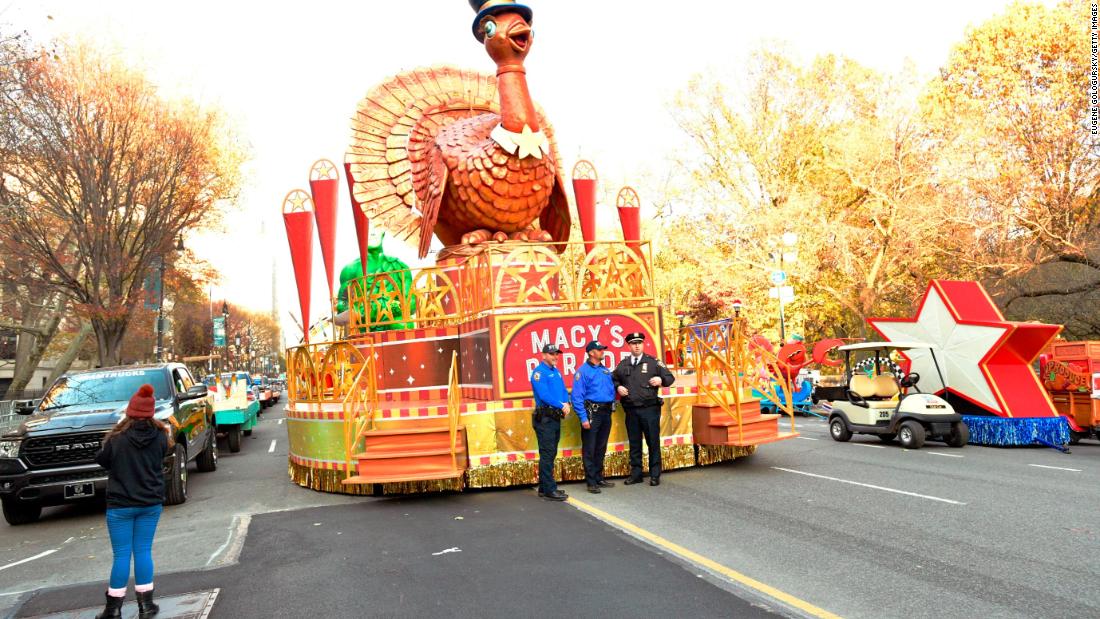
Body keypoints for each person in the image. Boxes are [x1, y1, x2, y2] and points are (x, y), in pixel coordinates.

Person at [94, 384, 171, 619]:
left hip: (120, 505)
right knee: (143, 551)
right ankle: (146, 606)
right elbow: (162, 458)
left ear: (129, 411)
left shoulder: (117, 438)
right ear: (151, 412)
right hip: (150, 503)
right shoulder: (161, 436)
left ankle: (113, 609)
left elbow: (102, 460)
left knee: (121, 555)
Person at [613, 332, 675, 486]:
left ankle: (655, 474)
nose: (636, 345)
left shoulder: (653, 362)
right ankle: (636, 474)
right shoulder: (623, 364)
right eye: (633, 343)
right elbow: (613, 379)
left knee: (652, 442)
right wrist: (618, 387)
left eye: (639, 343)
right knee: (634, 443)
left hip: (650, 410)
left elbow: (670, 378)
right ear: (629, 346)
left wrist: (661, 379)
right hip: (631, 410)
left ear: (643, 344)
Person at [571, 340, 617, 494]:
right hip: (592, 413)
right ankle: (591, 481)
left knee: (601, 446)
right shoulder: (582, 372)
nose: (602, 351)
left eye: (602, 349)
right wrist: (583, 418)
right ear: (591, 353)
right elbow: (577, 397)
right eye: (599, 350)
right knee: (590, 448)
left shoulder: (605, 370)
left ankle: (598, 477)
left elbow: (610, 390)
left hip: (605, 412)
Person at [529, 344, 572, 501]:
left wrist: (567, 402)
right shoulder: (539, 373)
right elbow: (544, 395)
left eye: (557, 354)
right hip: (545, 418)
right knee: (547, 454)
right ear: (543, 356)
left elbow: (562, 390)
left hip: (554, 417)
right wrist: (562, 405)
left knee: (550, 452)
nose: (555, 357)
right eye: (552, 354)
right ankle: (550, 490)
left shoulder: (556, 371)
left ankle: (544, 487)